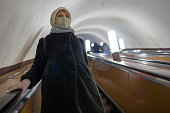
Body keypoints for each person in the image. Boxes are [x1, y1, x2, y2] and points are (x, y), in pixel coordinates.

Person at [7, 7, 106, 113]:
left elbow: (85, 64)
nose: (64, 17)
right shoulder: (45, 42)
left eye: (67, 15)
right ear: (53, 20)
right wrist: (26, 81)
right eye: (60, 15)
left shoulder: (79, 41)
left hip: (85, 93)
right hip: (57, 95)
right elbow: (38, 67)